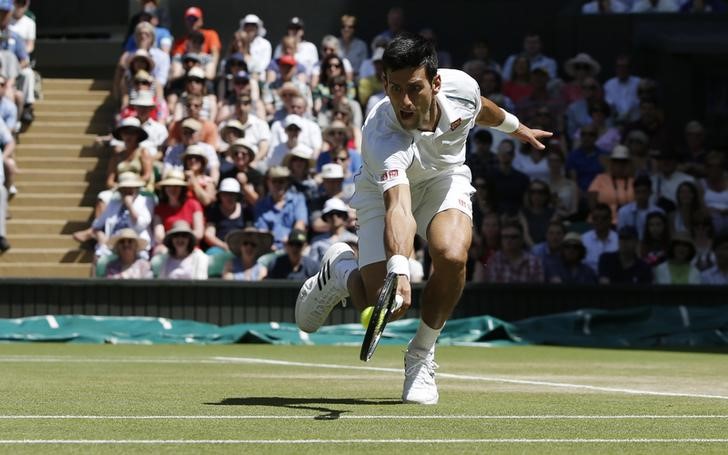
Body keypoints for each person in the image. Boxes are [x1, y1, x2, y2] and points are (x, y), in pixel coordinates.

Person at [294, 33, 550, 404]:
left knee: (452, 254)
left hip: (443, 179)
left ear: (436, 82)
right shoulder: (381, 133)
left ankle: (421, 355)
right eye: (395, 89)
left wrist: (515, 126)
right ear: (384, 83)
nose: (405, 101)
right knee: (386, 305)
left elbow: (480, 108)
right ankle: (341, 270)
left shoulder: (463, 87)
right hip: (382, 193)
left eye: (414, 88)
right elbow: (398, 206)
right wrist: (401, 265)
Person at [587, 144, 634, 223]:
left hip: (627, 222)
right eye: (616, 161)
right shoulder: (600, 179)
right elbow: (592, 200)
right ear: (611, 163)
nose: (619, 165)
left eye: (623, 162)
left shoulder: (633, 181)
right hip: (601, 221)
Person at [308, 198, 358, 266]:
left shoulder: (355, 240)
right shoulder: (317, 243)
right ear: (325, 218)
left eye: (338, 214)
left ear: (344, 216)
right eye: (330, 214)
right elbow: (312, 268)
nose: (334, 217)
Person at [617, 174, 663, 240]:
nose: (641, 196)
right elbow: (621, 236)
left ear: (650, 192)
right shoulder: (623, 212)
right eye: (638, 192)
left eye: (644, 192)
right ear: (634, 193)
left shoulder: (659, 212)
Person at [582, 203, 619, 272]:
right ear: (592, 220)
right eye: (595, 218)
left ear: (610, 220)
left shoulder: (618, 240)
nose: (599, 221)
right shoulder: (583, 239)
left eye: (604, 218)